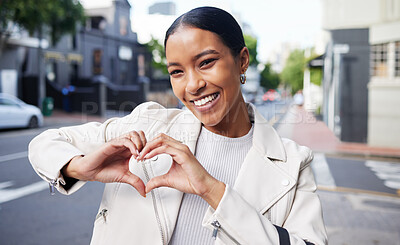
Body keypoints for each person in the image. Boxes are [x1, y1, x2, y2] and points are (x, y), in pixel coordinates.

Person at [29, 7, 327, 245]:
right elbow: (46, 142)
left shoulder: (293, 164)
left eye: (207, 62)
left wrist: (212, 190)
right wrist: (78, 168)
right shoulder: (147, 125)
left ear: (242, 61)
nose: (193, 85)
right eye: (177, 72)